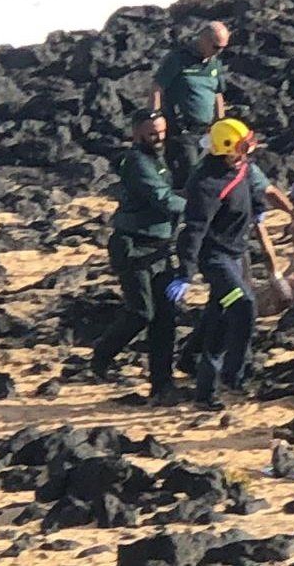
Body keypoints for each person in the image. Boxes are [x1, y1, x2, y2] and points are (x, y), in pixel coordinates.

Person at [166, 118, 290, 410]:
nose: (248, 151)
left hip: (236, 253)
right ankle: (235, 374)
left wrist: (258, 212)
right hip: (216, 260)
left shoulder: (241, 167)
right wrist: (186, 272)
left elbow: (251, 191)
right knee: (243, 304)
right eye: (243, 146)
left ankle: (204, 388)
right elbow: (194, 229)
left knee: (218, 318)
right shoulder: (206, 183)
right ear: (226, 148)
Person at [90, 111, 185, 404]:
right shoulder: (136, 163)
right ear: (136, 134)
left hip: (161, 247)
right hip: (133, 246)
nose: (158, 138)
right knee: (142, 311)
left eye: (161, 132)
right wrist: (200, 208)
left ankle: (162, 383)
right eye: (152, 133)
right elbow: (162, 199)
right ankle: (101, 356)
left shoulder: (164, 158)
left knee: (166, 317)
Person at [153, 21, 230, 188]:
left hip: (207, 132)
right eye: (217, 47)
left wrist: (220, 123)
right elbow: (158, 87)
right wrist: (155, 116)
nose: (220, 51)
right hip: (182, 131)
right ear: (204, 40)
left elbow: (217, 93)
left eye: (223, 47)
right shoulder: (177, 59)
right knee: (189, 175)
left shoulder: (214, 63)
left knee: (208, 175)